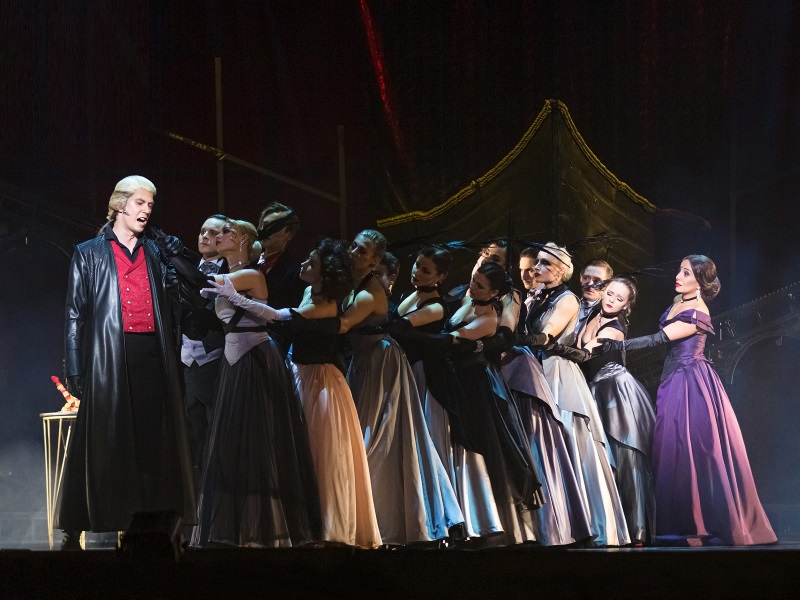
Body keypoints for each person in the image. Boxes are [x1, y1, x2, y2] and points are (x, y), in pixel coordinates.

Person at [288, 229, 464, 545]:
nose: (354, 253)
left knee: (377, 437)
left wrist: (290, 318)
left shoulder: (370, 290)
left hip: (382, 363)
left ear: (374, 261)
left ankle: (379, 520)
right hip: (361, 362)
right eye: (354, 246)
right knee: (357, 435)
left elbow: (343, 324)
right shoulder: (348, 280)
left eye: (362, 251)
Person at [590, 256, 777, 546]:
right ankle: (682, 521)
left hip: (690, 382)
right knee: (673, 449)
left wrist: (618, 345)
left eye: (686, 273)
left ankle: (699, 524)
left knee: (692, 449)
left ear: (700, 281)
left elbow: (658, 339)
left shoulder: (697, 311)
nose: (678, 275)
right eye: (680, 269)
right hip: (673, 378)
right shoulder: (679, 300)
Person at [56, 176, 196, 548]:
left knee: (151, 442)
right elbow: (74, 315)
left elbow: (188, 297)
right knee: (101, 441)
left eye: (150, 204)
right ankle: (76, 524)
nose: (146, 210)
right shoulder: (89, 253)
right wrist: (74, 366)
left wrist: (178, 256)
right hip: (108, 357)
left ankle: (146, 525)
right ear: (120, 205)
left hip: (151, 355)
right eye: (139, 202)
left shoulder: (156, 252)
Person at [191, 219, 320, 548]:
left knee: (259, 441)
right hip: (233, 360)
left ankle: (264, 527)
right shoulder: (232, 273)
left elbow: (202, 280)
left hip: (255, 358)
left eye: (225, 232)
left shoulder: (251, 275)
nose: (217, 237)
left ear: (242, 240)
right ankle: (237, 526)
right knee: (233, 442)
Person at [520, 243, 630, 546]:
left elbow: (547, 335)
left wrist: (516, 334)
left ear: (560, 270)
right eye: (537, 262)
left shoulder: (567, 299)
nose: (536, 268)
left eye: (544, 263)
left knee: (568, 444)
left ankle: (581, 522)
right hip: (536, 369)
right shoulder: (540, 296)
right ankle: (549, 522)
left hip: (557, 374)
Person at [552, 277, 656, 545]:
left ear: (626, 306)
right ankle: (605, 524)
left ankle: (636, 530)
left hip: (616, 393)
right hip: (594, 390)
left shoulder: (614, 330)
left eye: (619, 299)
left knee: (625, 458)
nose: (611, 300)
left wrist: (549, 347)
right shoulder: (591, 314)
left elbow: (585, 354)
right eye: (609, 294)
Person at [181, 215, 227, 470]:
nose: (205, 236)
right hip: (186, 359)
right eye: (202, 231)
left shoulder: (232, 269)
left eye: (213, 232)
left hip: (215, 357)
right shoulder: (185, 267)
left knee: (217, 426)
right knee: (194, 430)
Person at [256, 201, 305, 310]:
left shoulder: (295, 271)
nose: (265, 230)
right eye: (264, 225)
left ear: (289, 235)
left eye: (274, 227)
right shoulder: (249, 261)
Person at [576, 260, 613, 334]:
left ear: (607, 285)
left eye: (597, 281)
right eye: (586, 278)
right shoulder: (569, 301)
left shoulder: (608, 317)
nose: (590, 284)